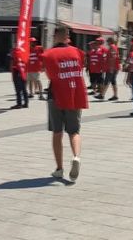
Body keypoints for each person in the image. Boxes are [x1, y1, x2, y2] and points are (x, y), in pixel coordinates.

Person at [42, 26, 88, 182]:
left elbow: (50, 75)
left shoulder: (48, 54)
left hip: (56, 96)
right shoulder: (78, 52)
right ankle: (76, 157)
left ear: (55, 36)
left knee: (57, 133)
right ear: (67, 36)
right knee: (74, 131)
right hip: (75, 95)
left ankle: (59, 169)